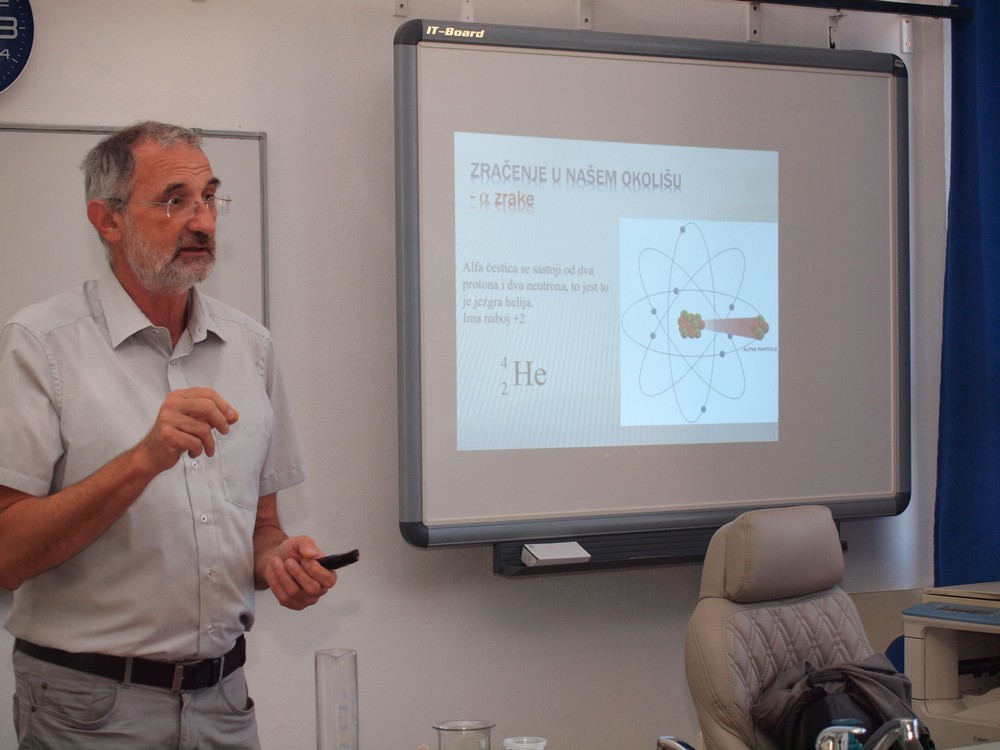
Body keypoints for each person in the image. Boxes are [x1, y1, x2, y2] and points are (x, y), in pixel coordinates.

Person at [0, 121, 336, 749]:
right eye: (174, 201)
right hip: (88, 711)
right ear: (108, 220)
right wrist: (144, 458)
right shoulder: (40, 345)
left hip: (225, 702)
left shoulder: (251, 347)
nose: (203, 220)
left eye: (208, 197)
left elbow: (263, 528)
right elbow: (7, 553)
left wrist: (280, 563)